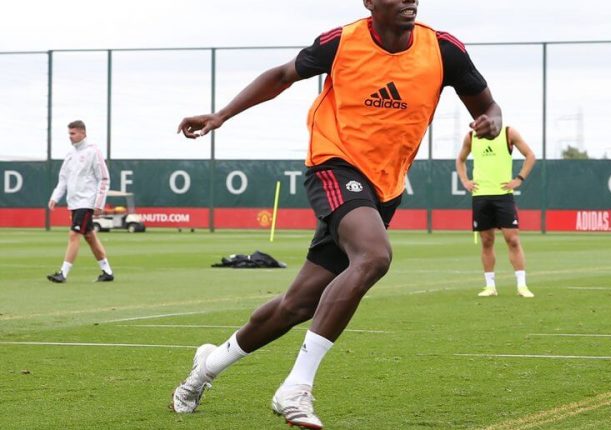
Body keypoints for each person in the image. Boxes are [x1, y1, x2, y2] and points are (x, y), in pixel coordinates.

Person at [170, 1, 503, 428]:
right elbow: (281, 76)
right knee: (374, 256)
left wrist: (491, 122)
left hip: (385, 188)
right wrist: (221, 115)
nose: (410, 0)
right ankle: (296, 387)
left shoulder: (443, 50)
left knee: (296, 305)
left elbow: (489, 108)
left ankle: (205, 368)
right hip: (334, 165)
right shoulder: (342, 41)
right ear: (370, 2)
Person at [456, 126, 536, 298]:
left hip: (503, 195)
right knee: (486, 241)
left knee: (513, 239)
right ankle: (490, 286)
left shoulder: (508, 132)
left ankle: (522, 285)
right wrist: (465, 180)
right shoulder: (471, 136)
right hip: (480, 196)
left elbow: (530, 155)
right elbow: (460, 159)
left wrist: (519, 179)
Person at [46, 120, 114, 283]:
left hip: (86, 202)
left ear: (83, 133)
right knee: (90, 236)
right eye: (69, 133)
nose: (70, 136)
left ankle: (63, 273)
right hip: (74, 203)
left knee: (74, 234)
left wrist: (99, 203)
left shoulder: (93, 151)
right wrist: (55, 197)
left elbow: (104, 178)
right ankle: (107, 271)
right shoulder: (70, 154)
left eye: (73, 133)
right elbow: (63, 179)